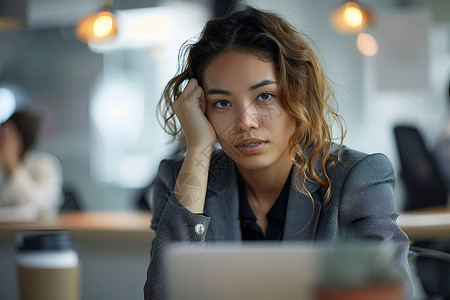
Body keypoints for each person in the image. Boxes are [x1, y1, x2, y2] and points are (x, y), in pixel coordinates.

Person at [144, 6, 413, 299]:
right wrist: (197, 148)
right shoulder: (179, 180)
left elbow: (390, 293)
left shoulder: (357, 178)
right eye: (222, 102)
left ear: (298, 94)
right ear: (201, 109)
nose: (245, 121)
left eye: (264, 96)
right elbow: (163, 295)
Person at [0, 111, 63, 217]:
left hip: (39, 232)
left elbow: (39, 207)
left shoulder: (44, 164)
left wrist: (13, 164)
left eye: (6, 134)